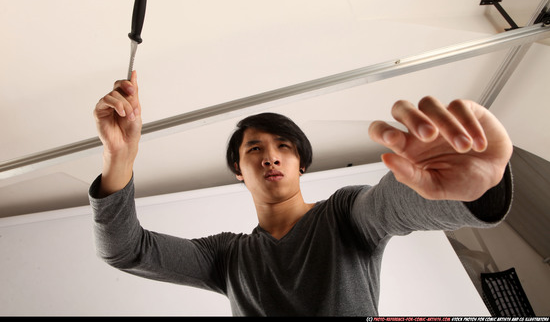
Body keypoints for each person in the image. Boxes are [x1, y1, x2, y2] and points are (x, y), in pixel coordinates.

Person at [89, 70, 513, 316]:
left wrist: (474, 191)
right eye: (254, 149)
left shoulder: (344, 215)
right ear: (239, 170)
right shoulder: (227, 257)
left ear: (301, 163)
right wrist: (118, 156)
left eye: (284, 147)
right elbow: (125, 250)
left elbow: (392, 206)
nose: (270, 157)